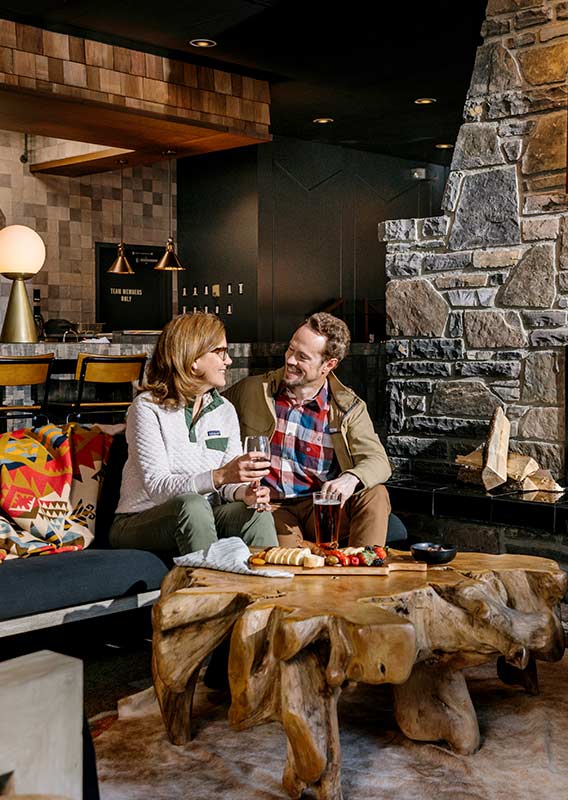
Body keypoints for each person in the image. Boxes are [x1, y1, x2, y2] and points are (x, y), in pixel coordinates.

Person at [109, 313, 278, 556]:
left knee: (255, 514)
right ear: (193, 359)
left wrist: (245, 492)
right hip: (138, 519)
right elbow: (158, 488)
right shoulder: (147, 408)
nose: (228, 360)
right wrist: (220, 475)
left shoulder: (224, 410)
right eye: (220, 352)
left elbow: (227, 485)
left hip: (203, 514)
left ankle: (268, 589)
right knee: (193, 504)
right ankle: (210, 590)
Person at [224, 312, 392, 548]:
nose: (290, 360)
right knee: (295, 564)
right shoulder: (252, 390)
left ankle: (363, 570)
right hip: (272, 506)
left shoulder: (347, 407)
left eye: (302, 356)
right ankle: (319, 557)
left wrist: (350, 478)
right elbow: (210, 412)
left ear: (328, 365)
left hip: (321, 505)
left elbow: (379, 461)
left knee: (376, 494)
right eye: (290, 349)